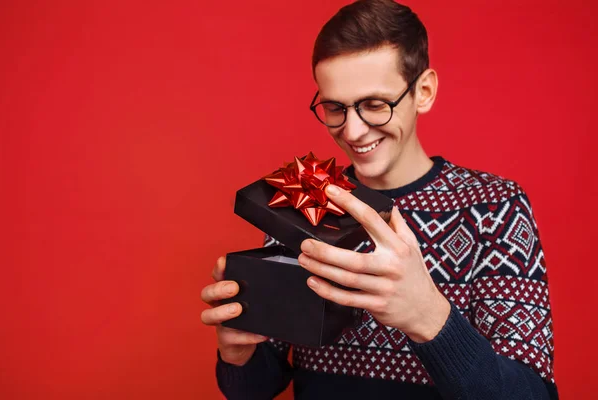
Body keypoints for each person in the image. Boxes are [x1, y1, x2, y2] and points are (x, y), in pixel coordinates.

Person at [201, 0, 558, 398]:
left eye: (375, 105)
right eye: (335, 107)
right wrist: (238, 355)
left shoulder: (494, 207)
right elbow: (257, 388)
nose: (352, 131)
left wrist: (429, 318)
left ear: (423, 91)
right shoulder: (306, 198)